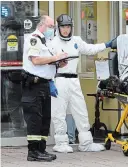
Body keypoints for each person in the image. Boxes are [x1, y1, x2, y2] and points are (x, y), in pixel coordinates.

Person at [50, 14, 114, 153]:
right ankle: (61, 142)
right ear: (58, 28)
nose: (65, 30)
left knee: (81, 110)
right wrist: (50, 82)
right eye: (63, 27)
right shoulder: (52, 42)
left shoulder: (76, 40)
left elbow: (89, 49)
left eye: (68, 27)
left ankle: (86, 142)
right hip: (59, 79)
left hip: (74, 79)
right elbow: (47, 64)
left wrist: (106, 45)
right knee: (58, 112)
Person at [21, 15, 68, 161]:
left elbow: (46, 61)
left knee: (44, 119)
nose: (53, 29)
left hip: (45, 84)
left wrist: (59, 63)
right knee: (35, 119)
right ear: (42, 25)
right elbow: (35, 60)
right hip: (34, 85)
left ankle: (41, 149)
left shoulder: (46, 42)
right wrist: (55, 58)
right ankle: (33, 152)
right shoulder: (34, 39)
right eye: (51, 26)